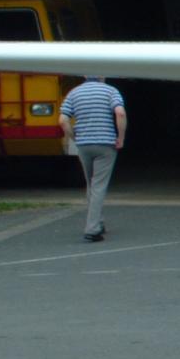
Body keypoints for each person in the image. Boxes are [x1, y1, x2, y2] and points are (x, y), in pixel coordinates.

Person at [59, 75, 126, 242]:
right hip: (105, 144)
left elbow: (63, 120)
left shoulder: (74, 92)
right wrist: (121, 137)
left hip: (84, 145)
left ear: (84, 76)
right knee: (99, 186)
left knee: (91, 185)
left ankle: (99, 222)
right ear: (102, 76)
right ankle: (92, 229)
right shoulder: (111, 91)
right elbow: (120, 112)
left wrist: (74, 137)